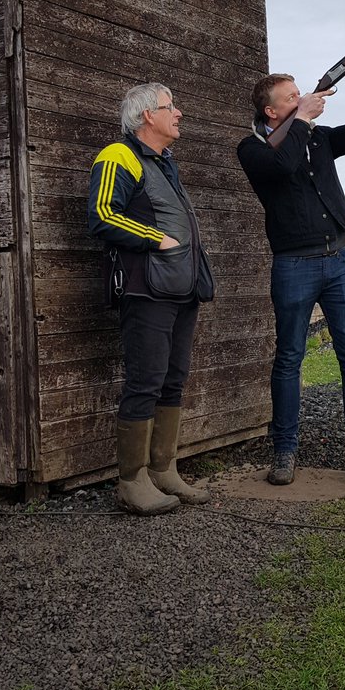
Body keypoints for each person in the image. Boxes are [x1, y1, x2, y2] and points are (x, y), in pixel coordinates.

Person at [237, 45, 345, 486]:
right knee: (289, 358)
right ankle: (284, 453)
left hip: (339, 259)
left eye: (301, 93)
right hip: (293, 265)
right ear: (272, 111)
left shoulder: (319, 138)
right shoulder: (252, 149)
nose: (304, 98)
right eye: (292, 97)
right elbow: (284, 167)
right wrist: (302, 118)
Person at [88, 82, 209, 514]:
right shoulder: (117, 155)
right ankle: (131, 481)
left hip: (181, 288)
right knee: (145, 382)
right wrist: (158, 239)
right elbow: (103, 215)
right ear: (146, 116)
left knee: (173, 379)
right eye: (169, 106)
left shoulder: (164, 163)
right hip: (146, 289)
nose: (178, 112)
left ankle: (163, 470)